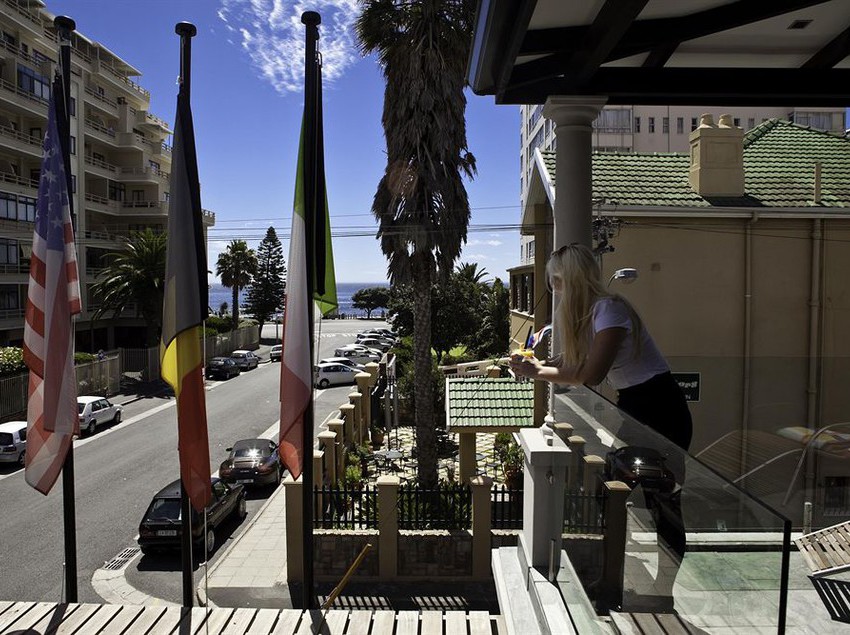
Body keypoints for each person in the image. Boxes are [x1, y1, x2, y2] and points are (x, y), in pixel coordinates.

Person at [510, 242, 692, 611]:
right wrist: (538, 361)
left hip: (660, 410)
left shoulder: (609, 310)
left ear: (569, 279)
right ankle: (615, 579)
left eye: (556, 282)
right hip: (636, 408)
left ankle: (661, 588)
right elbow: (574, 360)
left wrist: (535, 372)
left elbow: (590, 374)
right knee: (612, 495)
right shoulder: (592, 315)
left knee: (663, 503)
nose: (555, 290)